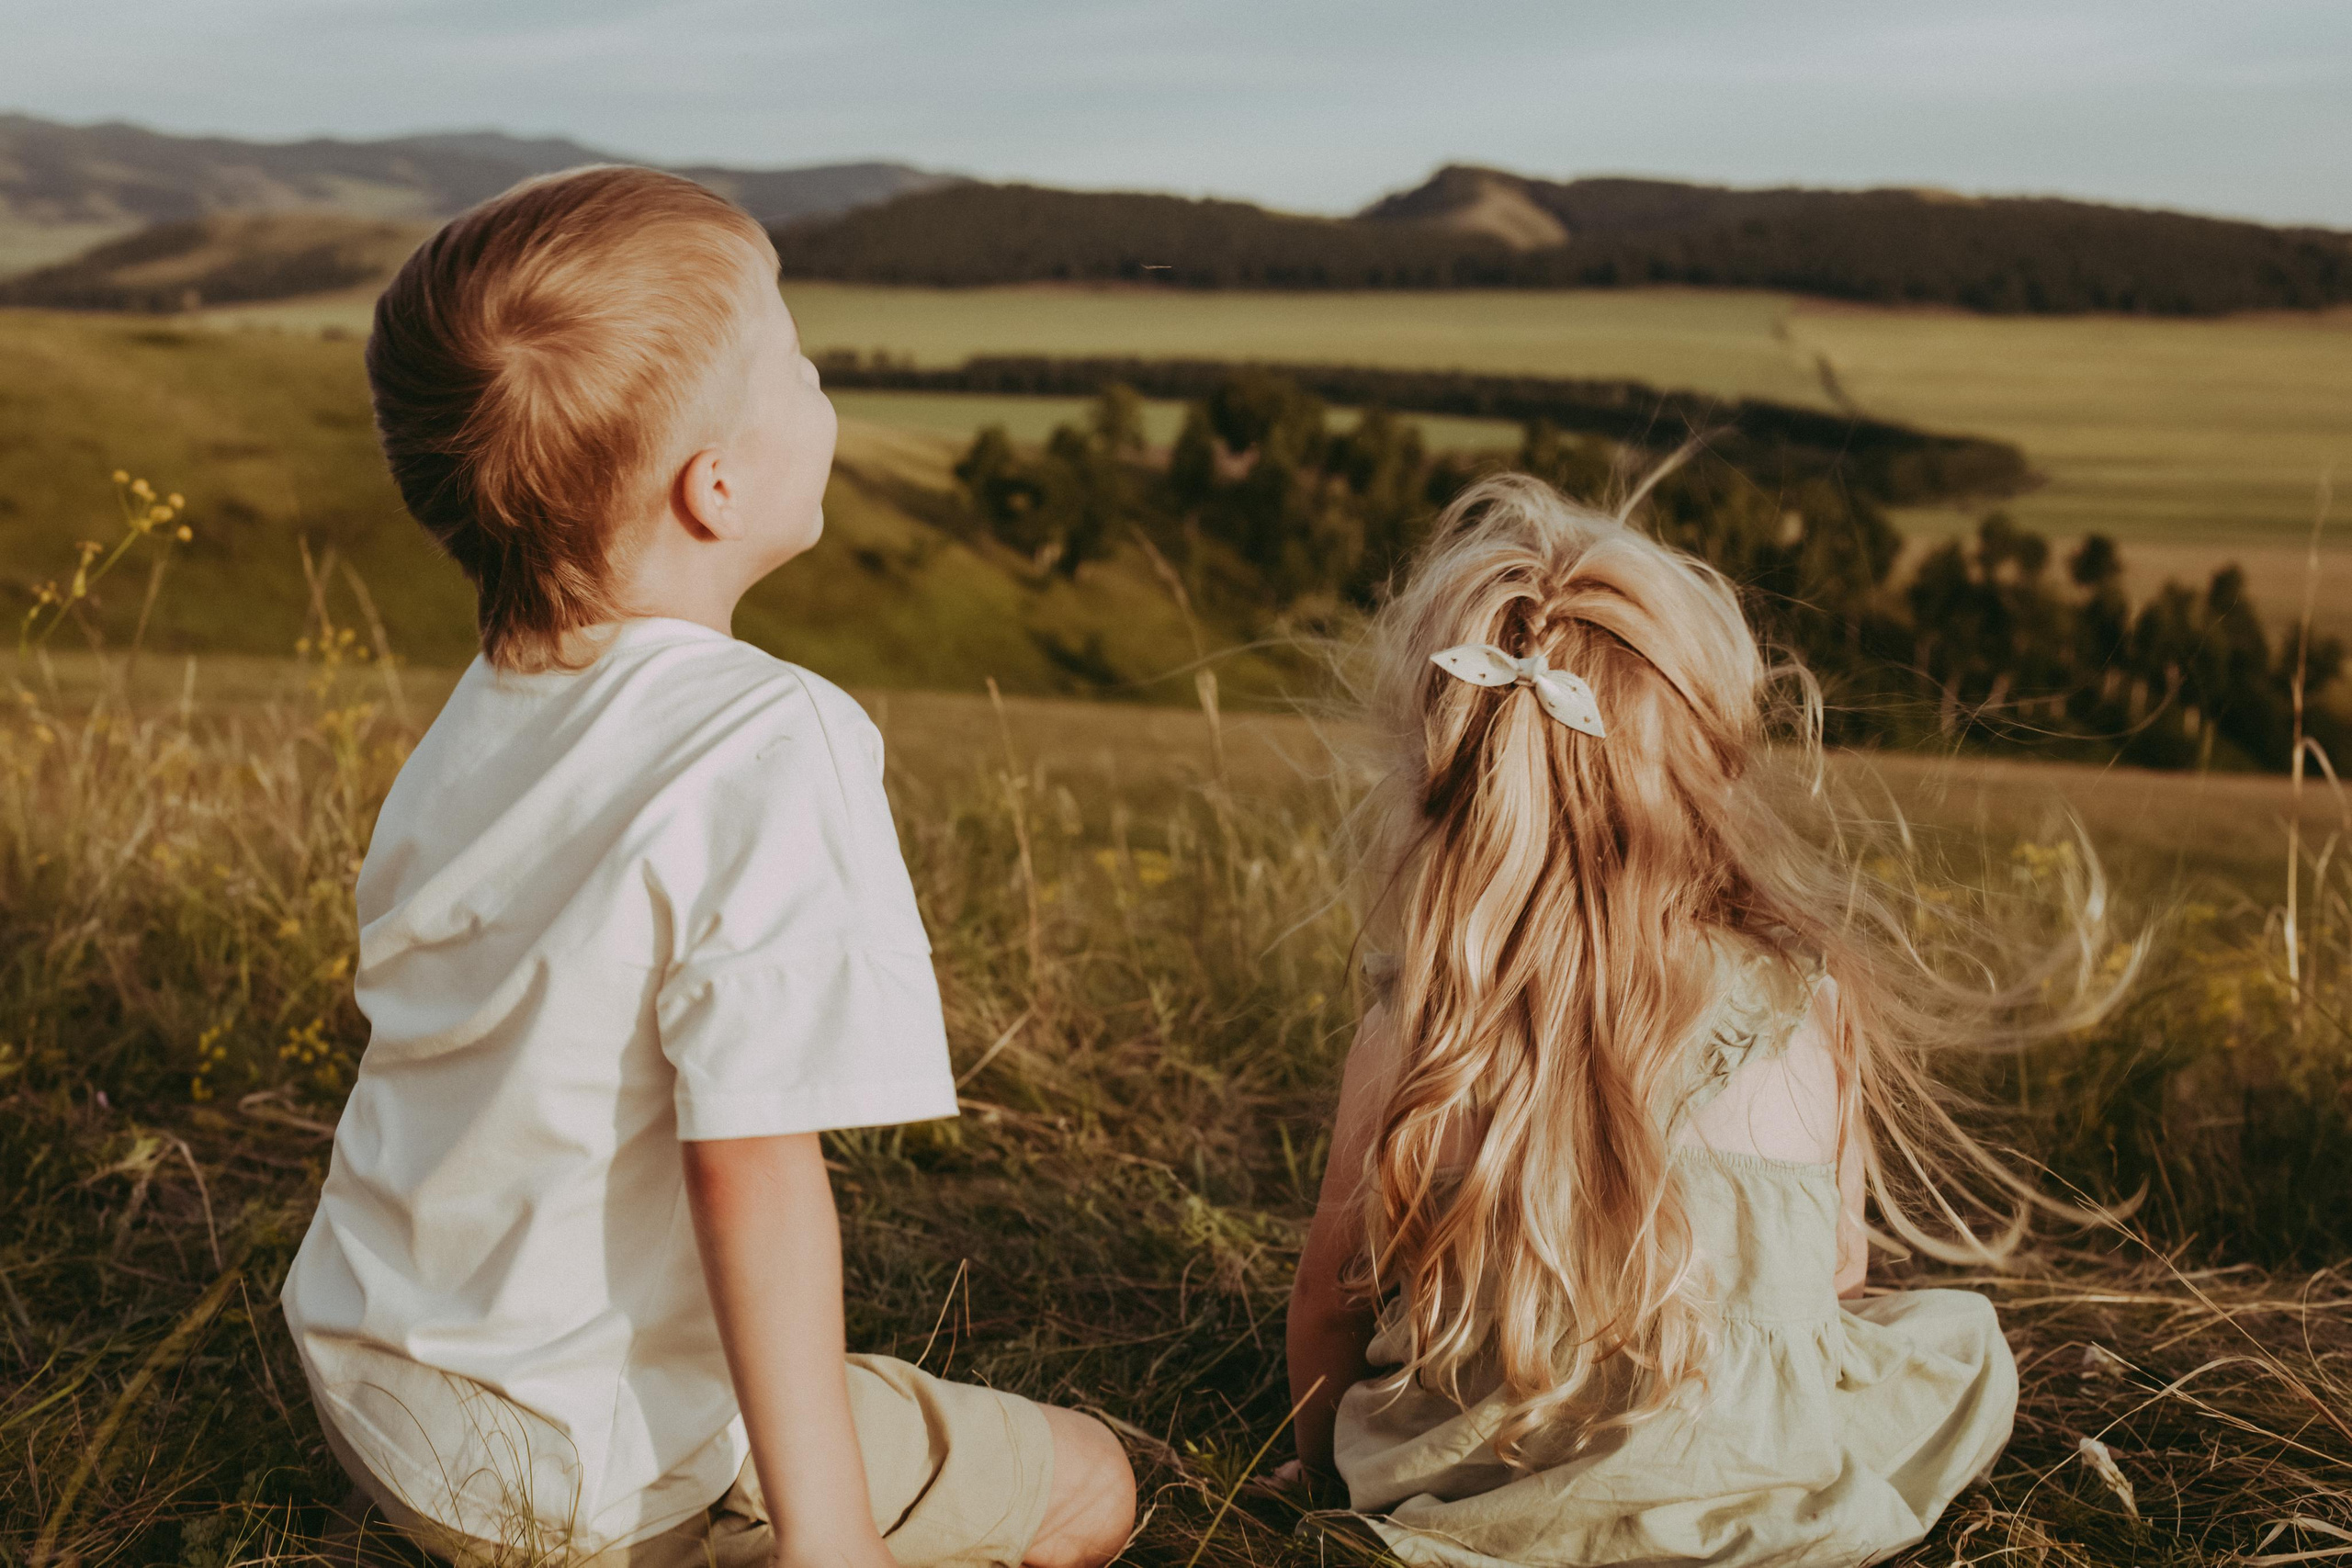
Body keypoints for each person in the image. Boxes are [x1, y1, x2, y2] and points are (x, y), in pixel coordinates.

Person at [281, 165, 1135, 1568]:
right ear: (715, 484)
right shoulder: (769, 737)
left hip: (385, 1394)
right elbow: (752, 1166)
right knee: (1092, 1481)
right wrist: (831, 1531)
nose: (819, 384)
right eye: (792, 358)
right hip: (580, 1462)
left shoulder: (481, 712)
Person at [1283, 474, 2096, 1566]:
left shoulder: (1421, 1026)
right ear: (1705, 771)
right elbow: (1838, 1272)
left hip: (1487, 1517)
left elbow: (1328, 1311)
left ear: (1443, 778)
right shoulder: (1805, 1001)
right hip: (1763, 1501)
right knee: (1956, 1347)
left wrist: (1324, 1470)